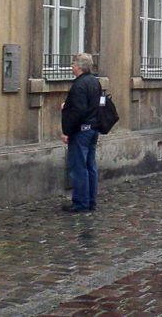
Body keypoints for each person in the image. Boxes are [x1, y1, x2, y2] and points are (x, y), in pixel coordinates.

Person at [61, 52, 101, 212]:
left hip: (81, 130)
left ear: (78, 67)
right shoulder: (94, 82)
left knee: (79, 167)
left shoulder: (79, 85)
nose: (71, 66)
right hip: (93, 128)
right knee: (90, 165)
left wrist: (68, 131)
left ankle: (81, 203)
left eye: (73, 64)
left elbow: (78, 111)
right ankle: (91, 201)